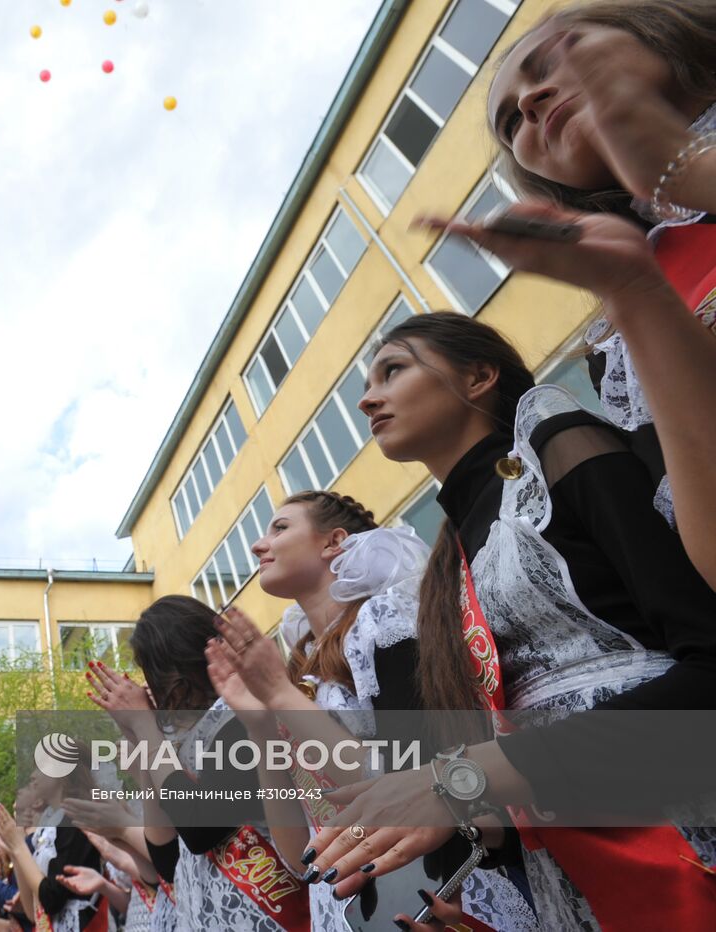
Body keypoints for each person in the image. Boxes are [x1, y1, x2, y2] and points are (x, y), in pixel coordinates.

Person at [302, 312, 716, 928]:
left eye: (393, 369)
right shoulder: (444, 567)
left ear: (479, 376)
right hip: (579, 882)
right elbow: (512, 785)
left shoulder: (559, 445)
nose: (367, 398)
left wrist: (460, 780)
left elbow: (708, 668)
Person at [419, 0, 716, 587]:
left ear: (655, 26)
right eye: (511, 125)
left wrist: (681, 167)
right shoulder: (627, 310)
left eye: (550, 60)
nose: (529, 105)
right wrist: (633, 291)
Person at [208, 491, 538, 930]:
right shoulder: (301, 668)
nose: (258, 545)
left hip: (437, 895)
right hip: (351, 906)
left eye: (280, 528)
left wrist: (281, 696)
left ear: (334, 542)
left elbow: (415, 789)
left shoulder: (384, 622)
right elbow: (298, 857)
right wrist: (260, 724)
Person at [86, 610, 310, 932]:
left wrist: (146, 728)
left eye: (147, 672)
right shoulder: (181, 742)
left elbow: (199, 830)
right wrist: (141, 734)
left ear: (169, 670)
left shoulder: (240, 718)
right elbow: (166, 859)